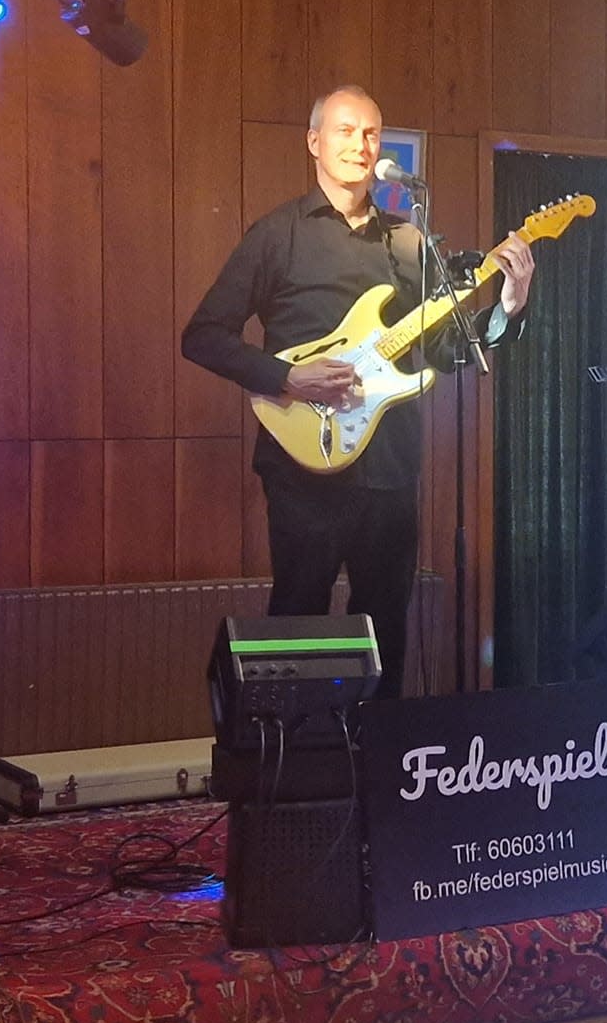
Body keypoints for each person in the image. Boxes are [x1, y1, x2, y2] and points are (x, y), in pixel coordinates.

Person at [181, 84, 535, 696]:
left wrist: (507, 306)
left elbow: (446, 350)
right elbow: (203, 336)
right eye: (345, 131)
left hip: (390, 465)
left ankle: (378, 749)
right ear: (314, 142)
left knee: (386, 626)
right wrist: (286, 376)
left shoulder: (408, 242)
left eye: (371, 133)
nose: (360, 144)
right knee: (299, 621)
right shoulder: (277, 235)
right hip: (304, 464)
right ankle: (294, 751)